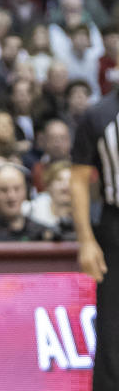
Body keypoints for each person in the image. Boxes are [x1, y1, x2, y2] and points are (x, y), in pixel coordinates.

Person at [71, 86, 119, 390]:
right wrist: (86, 239)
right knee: (113, 327)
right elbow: (78, 181)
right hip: (115, 225)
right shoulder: (99, 114)